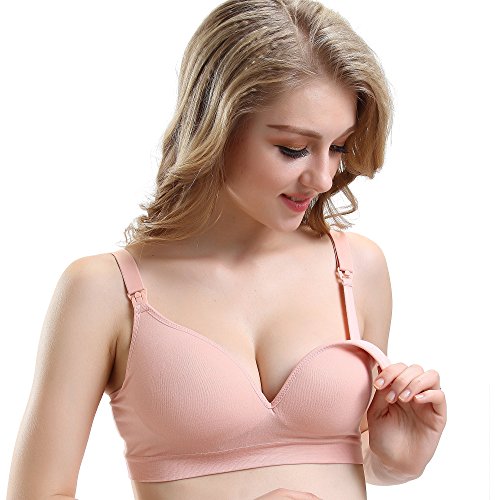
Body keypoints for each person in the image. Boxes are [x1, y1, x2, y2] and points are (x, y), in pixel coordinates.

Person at [6, 0, 447, 498]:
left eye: (338, 147)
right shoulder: (105, 291)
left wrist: (394, 461)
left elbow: (345, 454)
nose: (323, 178)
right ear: (216, 127)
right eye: (293, 149)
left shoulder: (357, 269)